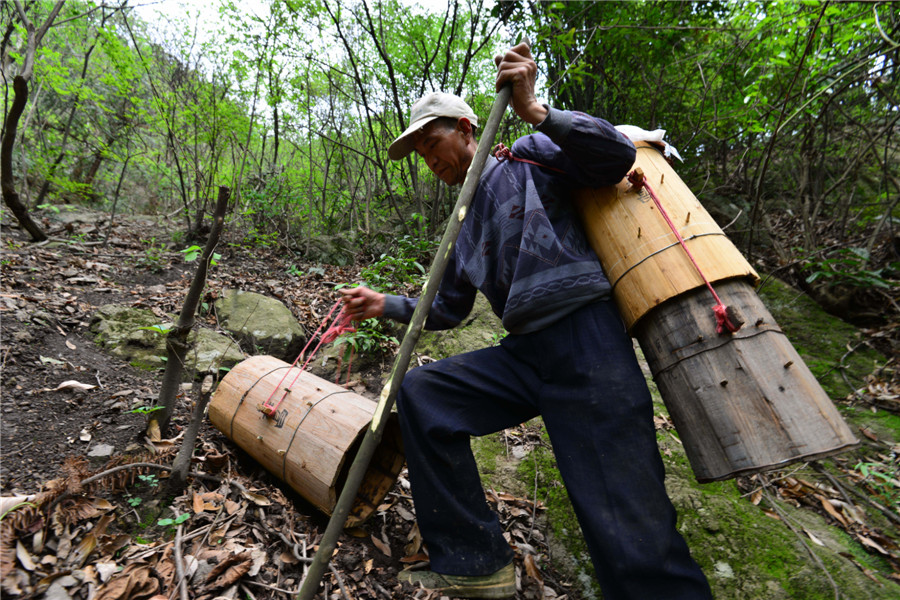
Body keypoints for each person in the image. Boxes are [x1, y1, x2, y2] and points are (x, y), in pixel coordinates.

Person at [340, 42, 713, 600]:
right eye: (421, 154)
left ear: (468, 129)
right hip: (526, 356)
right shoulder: (463, 226)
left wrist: (534, 108)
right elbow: (449, 309)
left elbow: (614, 157)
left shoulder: (531, 156)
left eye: (433, 143)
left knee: (625, 528)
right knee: (425, 394)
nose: (431, 160)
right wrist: (383, 304)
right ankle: (475, 564)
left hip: (588, 345)